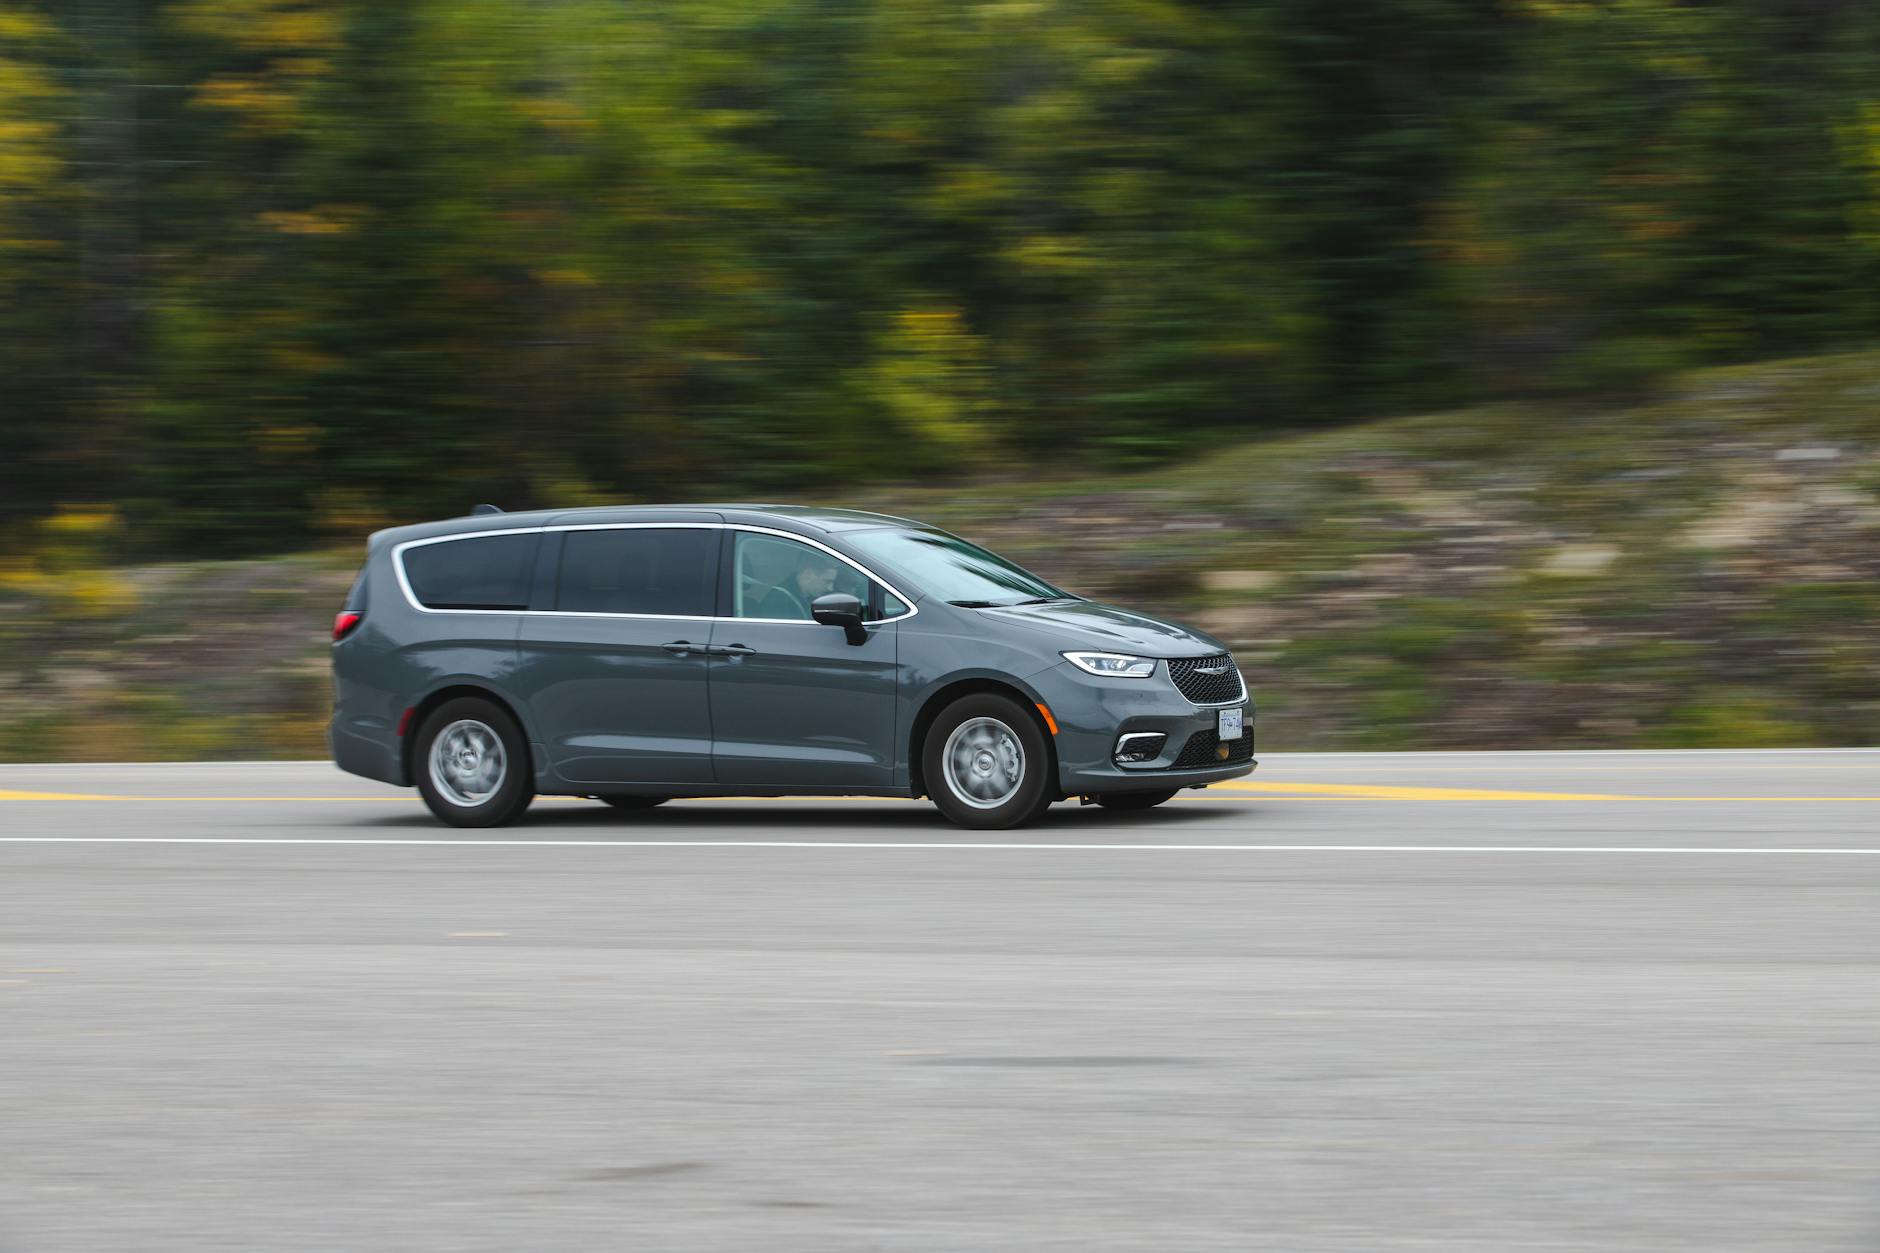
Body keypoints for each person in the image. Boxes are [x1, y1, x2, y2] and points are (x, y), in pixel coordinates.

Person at [754, 551, 839, 619]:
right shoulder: (780, 601)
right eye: (827, 581)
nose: (830, 588)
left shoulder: (807, 596)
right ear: (808, 574)